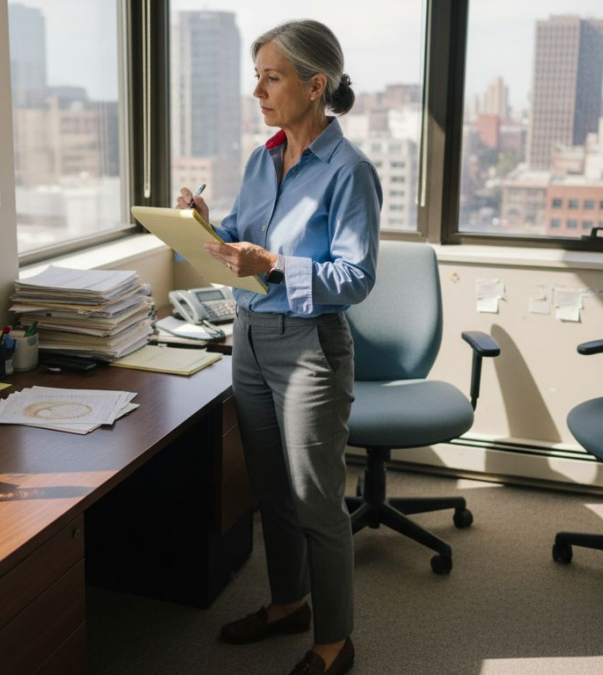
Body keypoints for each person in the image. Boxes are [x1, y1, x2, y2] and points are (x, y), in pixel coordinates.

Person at [177, 19, 381, 675]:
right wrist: (208, 226)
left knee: (316, 498)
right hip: (250, 338)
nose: (258, 91)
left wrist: (272, 264)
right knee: (270, 489)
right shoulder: (261, 158)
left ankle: (334, 639)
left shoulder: (350, 172)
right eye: (256, 76)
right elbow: (244, 232)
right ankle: (289, 601)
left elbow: (356, 277)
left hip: (308, 346)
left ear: (314, 84)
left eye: (272, 77)